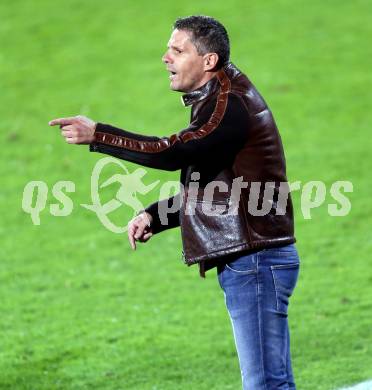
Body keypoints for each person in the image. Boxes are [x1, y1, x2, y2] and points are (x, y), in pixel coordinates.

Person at [49, 15, 300, 390]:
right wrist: (157, 215)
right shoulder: (221, 96)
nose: (165, 57)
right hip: (254, 259)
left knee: (266, 384)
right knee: (272, 382)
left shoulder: (228, 106)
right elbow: (221, 189)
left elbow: (172, 152)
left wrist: (99, 134)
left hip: (255, 261)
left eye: (177, 50)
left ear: (208, 61)